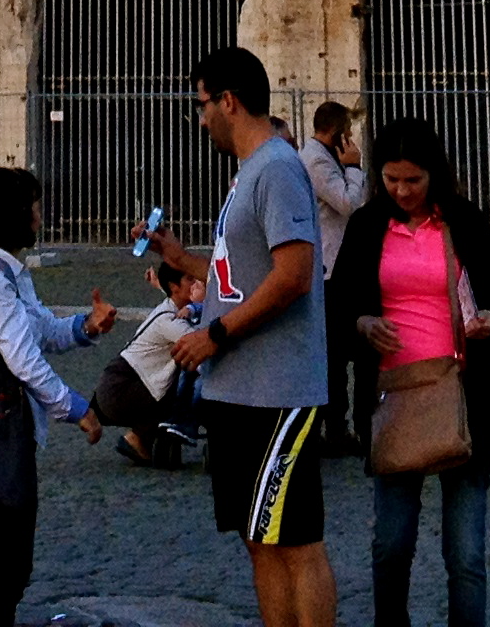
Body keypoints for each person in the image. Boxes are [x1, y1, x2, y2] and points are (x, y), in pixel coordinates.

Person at [146, 47, 334, 626]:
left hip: (276, 392)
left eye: (201, 104)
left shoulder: (277, 168)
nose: (199, 118)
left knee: (295, 541)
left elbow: (294, 275)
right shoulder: (249, 174)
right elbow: (241, 278)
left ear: (229, 100)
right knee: (258, 538)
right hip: (236, 391)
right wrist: (183, 260)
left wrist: (215, 336)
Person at [325, 115, 490, 627]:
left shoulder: (465, 222)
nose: (403, 190)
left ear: (434, 173)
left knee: (467, 555)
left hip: (462, 396)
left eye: (413, 180)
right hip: (393, 398)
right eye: (391, 179)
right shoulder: (368, 225)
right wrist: (362, 324)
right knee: (391, 543)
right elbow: (336, 305)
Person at [0, 165, 118, 627]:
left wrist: (86, 326)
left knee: (11, 567)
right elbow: (24, 360)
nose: (41, 216)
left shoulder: (8, 275)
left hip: (11, 435)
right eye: (35, 207)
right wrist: (76, 408)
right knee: (6, 570)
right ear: (14, 213)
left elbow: (42, 329)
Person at [91, 260, 205, 467]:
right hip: (121, 388)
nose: (198, 283)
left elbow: (174, 297)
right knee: (186, 387)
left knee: (177, 378)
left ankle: (140, 438)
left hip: (114, 384)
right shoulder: (171, 323)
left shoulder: (169, 309)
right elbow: (203, 348)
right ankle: (140, 436)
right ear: (174, 286)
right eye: (190, 279)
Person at [300, 101, 365, 454]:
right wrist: (354, 168)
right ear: (337, 131)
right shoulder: (317, 161)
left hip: (335, 263)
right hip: (327, 266)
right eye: (348, 131)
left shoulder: (322, 158)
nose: (352, 138)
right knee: (334, 351)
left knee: (336, 350)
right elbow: (347, 203)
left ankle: (335, 425)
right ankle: (334, 428)